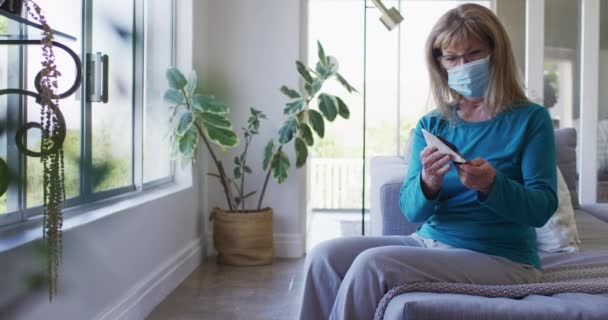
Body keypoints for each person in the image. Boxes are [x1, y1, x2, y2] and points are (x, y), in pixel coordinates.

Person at [298, 3, 558, 320]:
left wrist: (493, 185)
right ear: (440, 63)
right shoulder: (433, 124)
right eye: (452, 57)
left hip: (503, 258)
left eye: (474, 54)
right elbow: (411, 210)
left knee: (372, 264)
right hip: (429, 242)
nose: (464, 64)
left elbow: (542, 207)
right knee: (324, 255)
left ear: (496, 53)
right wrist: (428, 184)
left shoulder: (530, 119)